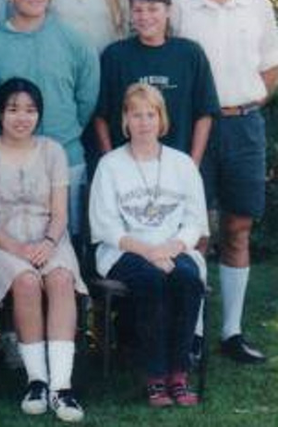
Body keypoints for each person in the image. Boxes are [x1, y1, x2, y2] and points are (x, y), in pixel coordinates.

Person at [171, 0, 278, 365]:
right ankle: (191, 333)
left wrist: (251, 99)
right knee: (195, 230)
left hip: (244, 127)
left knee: (237, 227)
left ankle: (231, 331)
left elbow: (272, 67)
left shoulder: (257, 4)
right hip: (196, 128)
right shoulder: (179, 8)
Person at [0, 78, 87, 423]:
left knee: (61, 278)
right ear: (0, 113)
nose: (22, 117)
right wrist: (19, 248)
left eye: (31, 110)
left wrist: (47, 244)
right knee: (27, 282)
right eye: (14, 109)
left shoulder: (52, 151)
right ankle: (36, 380)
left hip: (49, 236)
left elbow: (61, 212)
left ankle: (61, 386)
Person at [89, 84, 208, 407]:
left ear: (161, 119)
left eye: (150, 114)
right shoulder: (110, 165)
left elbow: (195, 220)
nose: (143, 122)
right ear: (125, 120)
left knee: (186, 279)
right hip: (123, 251)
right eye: (136, 114)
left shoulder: (182, 163)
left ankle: (179, 373)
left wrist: (171, 248)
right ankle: (155, 376)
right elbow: (106, 226)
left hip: (174, 249)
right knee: (151, 279)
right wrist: (149, 253)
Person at [0, 0, 99, 240]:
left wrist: (66, 128)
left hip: (65, 154)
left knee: (66, 241)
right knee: (8, 243)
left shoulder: (73, 40)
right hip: (5, 161)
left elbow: (87, 97)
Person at [95, 0, 219, 163]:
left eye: (153, 9)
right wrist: (110, 160)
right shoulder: (114, 56)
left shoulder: (190, 54)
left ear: (168, 10)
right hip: (128, 164)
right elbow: (100, 116)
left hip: (178, 163)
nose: (145, 17)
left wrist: (193, 163)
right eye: (138, 10)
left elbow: (204, 114)